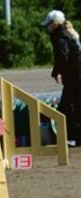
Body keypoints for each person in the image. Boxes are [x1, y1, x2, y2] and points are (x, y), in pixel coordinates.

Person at [41, 9, 81, 146]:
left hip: (76, 78)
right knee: (72, 106)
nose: (47, 28)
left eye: (48, 24)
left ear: (55, 24)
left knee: (67, 107)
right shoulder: (69, 34)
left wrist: (57, 72)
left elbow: (63, 57)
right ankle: (75, 137)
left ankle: (73, 137)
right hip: (76, 77)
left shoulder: (61, 37)